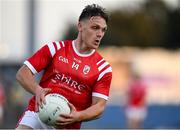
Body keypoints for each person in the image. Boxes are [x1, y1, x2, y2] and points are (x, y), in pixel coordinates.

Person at [16, 4, 112, 129]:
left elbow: (99, 106)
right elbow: (22, 73)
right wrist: (37, 90)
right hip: (38, 114)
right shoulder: (55, 48)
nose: (99, 34)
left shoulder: (103, 68)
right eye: (95, 28)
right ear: (80, 26)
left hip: (67, 125)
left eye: (103, 30)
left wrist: (78, 116)